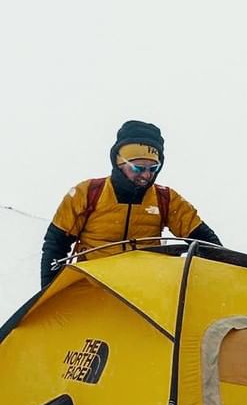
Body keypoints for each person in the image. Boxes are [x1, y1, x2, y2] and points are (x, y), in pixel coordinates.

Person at [40, 120, 221, 288]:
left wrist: (233, 267)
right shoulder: (87, 193)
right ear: (119, 163)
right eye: (138, 168)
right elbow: (56, 245)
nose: (146, 175)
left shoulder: (166, 198)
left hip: (144, 290)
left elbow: (204, 240)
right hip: (92, 287)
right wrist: (48, 293)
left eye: (153, 169)